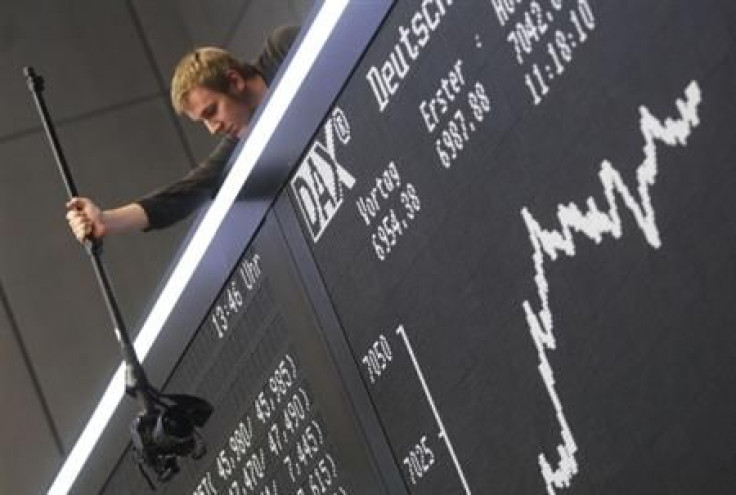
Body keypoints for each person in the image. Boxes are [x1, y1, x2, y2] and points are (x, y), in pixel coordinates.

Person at [66, 25, 299, 242]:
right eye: (203, 121)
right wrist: (106, 221)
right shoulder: (239, 143)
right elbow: (186, 192)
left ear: (234, 81)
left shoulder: (284, 47)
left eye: (212, 111)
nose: (213, 128)